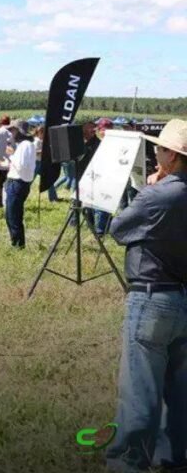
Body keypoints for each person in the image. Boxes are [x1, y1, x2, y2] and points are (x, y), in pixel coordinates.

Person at [104, 119, 187, 473]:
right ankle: (173, 458)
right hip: (182, 298)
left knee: (140, 390)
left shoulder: (157, 195)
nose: (155, 152)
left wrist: (147, 191)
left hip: (152, 298)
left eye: (159, 148)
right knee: (179, 391)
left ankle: (129, 463)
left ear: (172, 155)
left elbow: (118, 229)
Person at [4, 120, 35, 248]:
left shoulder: (25, 145)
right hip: (17, 182)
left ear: (19, 131)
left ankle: (18, 244)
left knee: (13, 216)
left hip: (18, 183)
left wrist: (11, 155)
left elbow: (21, 166)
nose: (11, 133)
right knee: (11, 215)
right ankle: (16, 242)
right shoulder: (25, 145)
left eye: (13, 130)